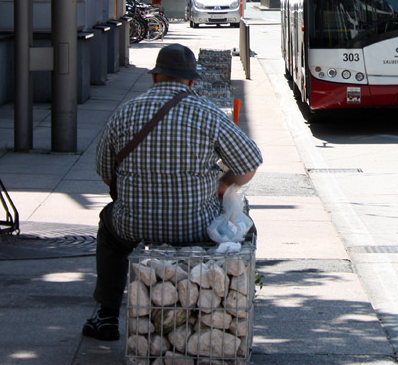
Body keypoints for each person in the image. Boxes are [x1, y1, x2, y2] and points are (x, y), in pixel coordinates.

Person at [82, 44, 263, 341]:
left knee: (108, 229)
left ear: (155, 77)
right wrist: (221, 185)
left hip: (133, 225)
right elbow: (249, 165)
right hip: (196, 226)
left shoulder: (124, 112)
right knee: (246, 226)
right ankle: (226, 310)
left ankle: (107, 314)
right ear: (191, 80)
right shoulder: (209, 114)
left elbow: (105, 175)